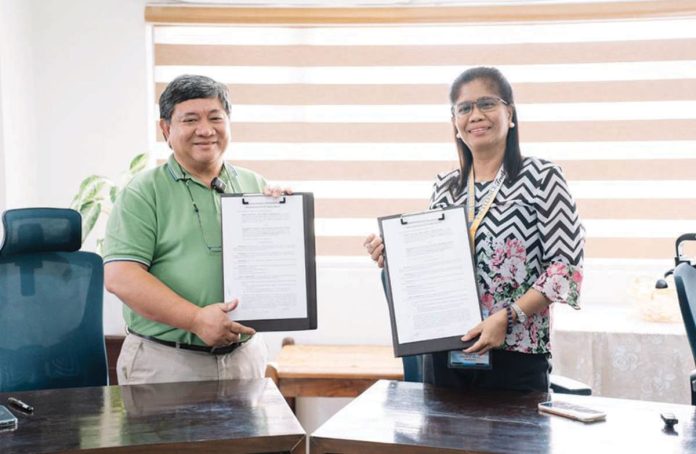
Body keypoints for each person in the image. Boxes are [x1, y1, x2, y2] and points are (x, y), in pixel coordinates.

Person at [364, 66, 585, 392]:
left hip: (516, 354)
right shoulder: (446, 186)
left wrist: (506, 318)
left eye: (487, 104)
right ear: (455, 122)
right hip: (445, 352)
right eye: (464, 108)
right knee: (442, 444)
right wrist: (393, 255)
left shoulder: (542, 177)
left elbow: (565, 271)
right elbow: (431, 268)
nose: (476, 115)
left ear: (510, 113)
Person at [104, 74, 287, 385]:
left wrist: (284, 214)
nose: (206, 130)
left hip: (244, 359)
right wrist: (196, 319)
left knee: (250, 437)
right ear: (166, 129)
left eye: (216, 118)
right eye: (190, 119)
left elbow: (270, 263)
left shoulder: (254, 184)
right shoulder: (143, 192)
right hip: (165, 363)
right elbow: (121, 277)